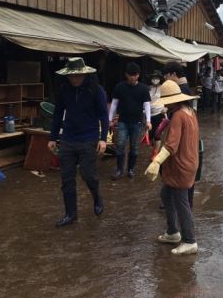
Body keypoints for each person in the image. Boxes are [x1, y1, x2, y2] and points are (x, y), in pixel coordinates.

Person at [48, 57, 108, 227]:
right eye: (72, 76)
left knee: (88, 175)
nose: (75, 79)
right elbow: (58, 114)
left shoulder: (96, 90)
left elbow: (104, 115)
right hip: (67, 138)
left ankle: (97, 197)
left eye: (78, 75)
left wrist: (103, 139)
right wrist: (53, 137)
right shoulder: (64, 90)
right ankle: (70, 214)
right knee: (66, 179)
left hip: (89, 137)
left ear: (84, 74)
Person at [145, 80, 200, 255]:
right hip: (190, 161)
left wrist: (156, 162)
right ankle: (172, 232)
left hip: (181, 165)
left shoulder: (178, 116)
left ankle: (190, 240)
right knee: (166, 194)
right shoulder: (190, 112)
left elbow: (171, 146)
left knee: (181, 202)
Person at [109, 62, 152, 180]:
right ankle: (119, 170)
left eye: (135, 75)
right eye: (130, 75)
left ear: (138, 75)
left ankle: (131, 169)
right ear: (126, 75)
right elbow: (114, 104)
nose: (133, 77)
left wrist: (148, 120)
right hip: (122, 121)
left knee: (134, 147)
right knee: (120, 144)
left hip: (137, 122)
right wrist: (110, 120)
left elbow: (147, 105)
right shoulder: (120, 87)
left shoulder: (143, 88)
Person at [149, 70, 166, 153]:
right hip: (149, 115)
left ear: (159, 78)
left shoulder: (163, 88)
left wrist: (166, 108)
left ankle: (156, 153)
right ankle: (155, 150)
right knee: (150, 135)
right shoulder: (149, 88)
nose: (155, 79)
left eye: (156, 77)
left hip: (160, 113)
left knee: (157, 134)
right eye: (153, 77)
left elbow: (168, 99)